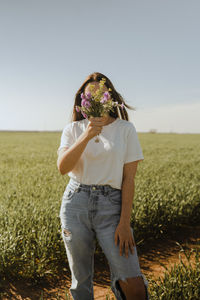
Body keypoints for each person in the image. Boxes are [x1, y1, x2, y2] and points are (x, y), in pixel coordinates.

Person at [57, 72, 149, 300]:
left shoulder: (125, 129)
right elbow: (62, 167)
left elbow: (129, 179)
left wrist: (125, 223)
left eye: (100, 96)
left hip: (112, 207)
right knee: (81, 282)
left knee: (133, 283)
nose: (94, 102)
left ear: (109, 98)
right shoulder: (73, 130)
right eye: (88, 98)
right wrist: (87, 135)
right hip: (75, 204)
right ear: (82, 101)